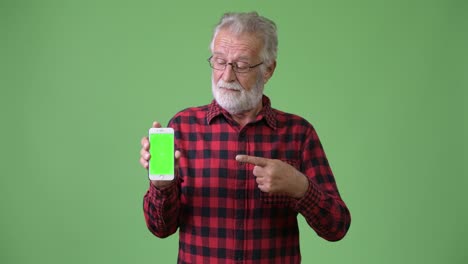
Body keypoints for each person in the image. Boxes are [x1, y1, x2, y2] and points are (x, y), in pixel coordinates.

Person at [139, 12, 351, 263]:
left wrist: (301, 188)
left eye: (241, 65)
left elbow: (336, 228)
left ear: (268, 69)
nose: (226, 76)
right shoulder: (183, 127)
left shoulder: (298, 134)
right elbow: (160, 228)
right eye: (219, 61)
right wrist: (162, 186)